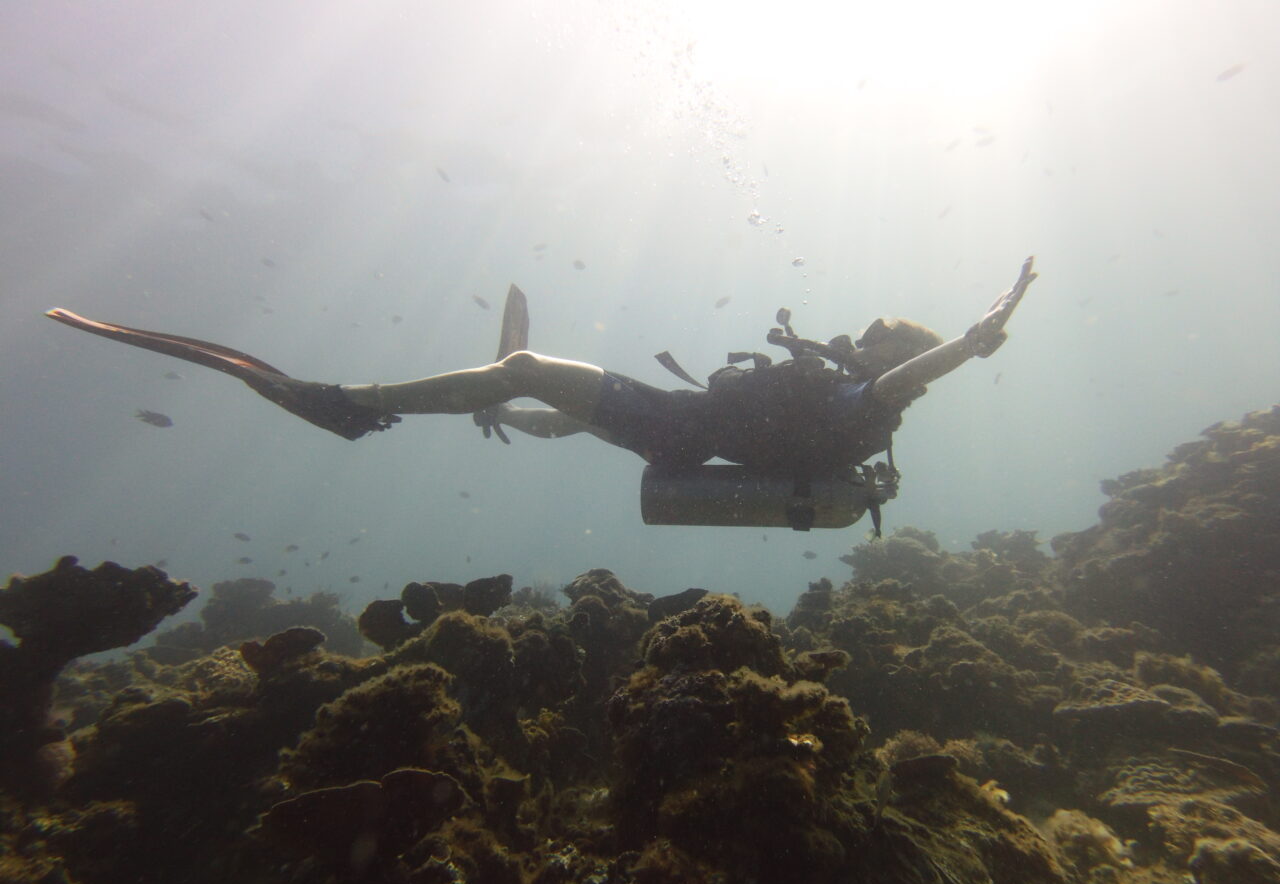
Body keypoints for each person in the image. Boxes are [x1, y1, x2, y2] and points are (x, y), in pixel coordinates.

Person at [45, 258, 1036, 481]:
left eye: (877, 332)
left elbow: (920, 375)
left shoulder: (877, 391)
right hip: (679, 431)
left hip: (677, 432)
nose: (858, 334)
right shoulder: (848, 395)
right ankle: (494, 411)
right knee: (536, 399)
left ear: (901, 356)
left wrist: (978, 332)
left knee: (522, 360)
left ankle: (346, 406)